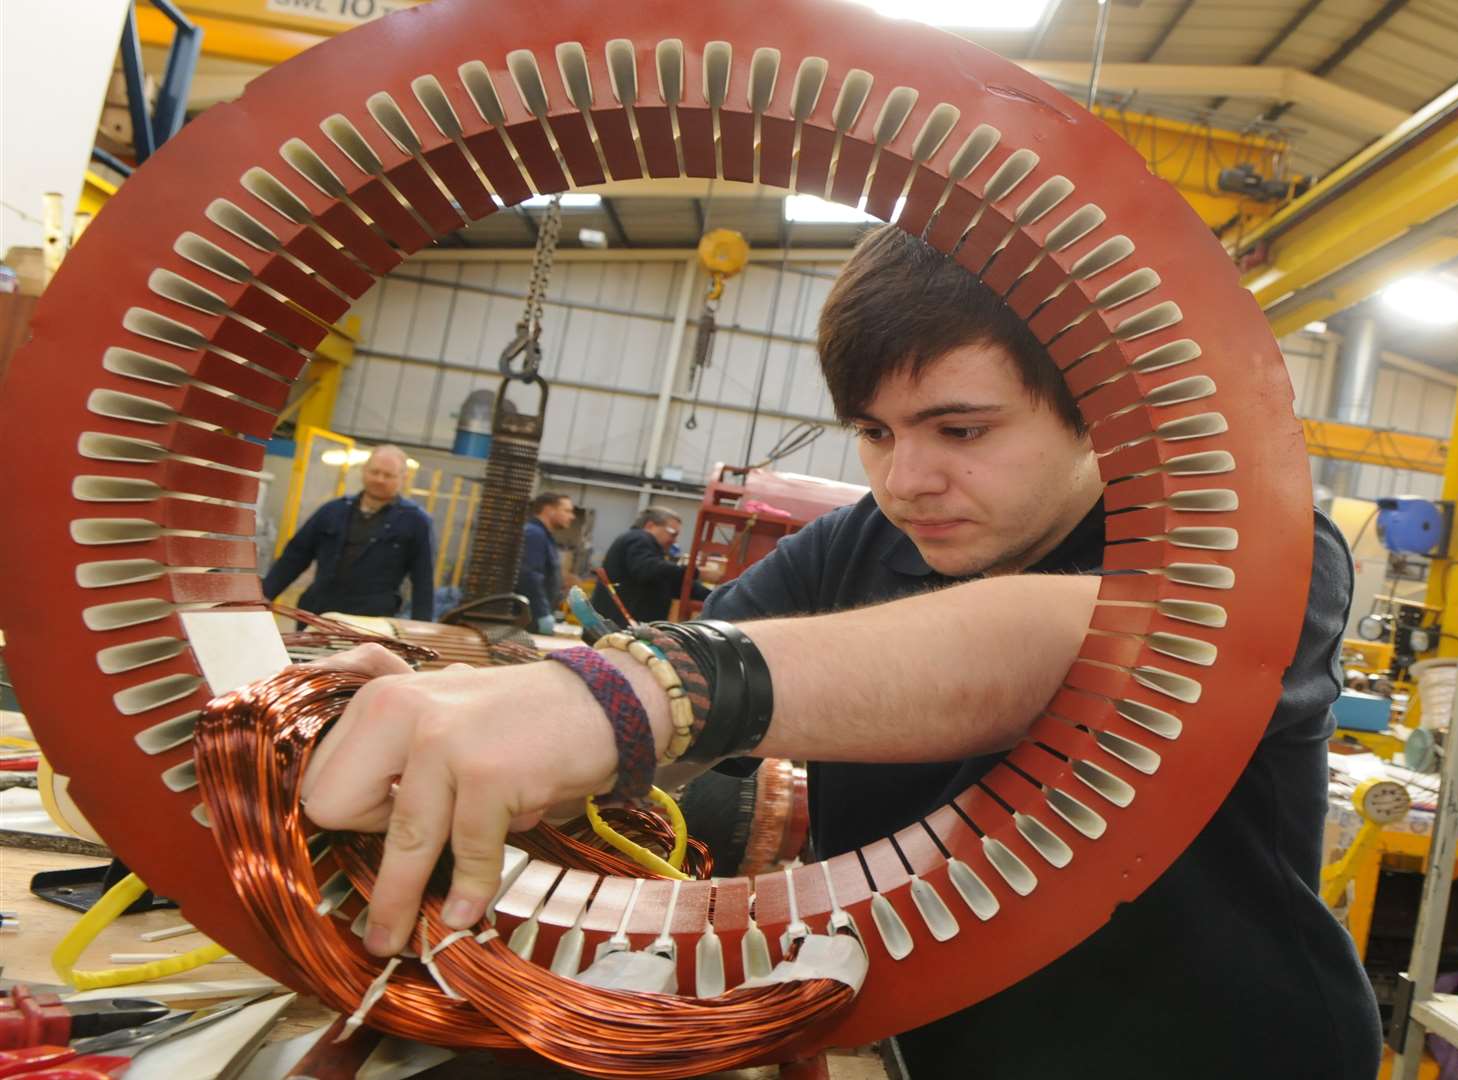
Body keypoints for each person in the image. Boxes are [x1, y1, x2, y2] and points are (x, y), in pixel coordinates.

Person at [302, 227, 1380, 1077]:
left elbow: (1056, 649)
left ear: (1098, 412)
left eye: (960, 431)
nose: (905, 479)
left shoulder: (1252, 545)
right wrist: (478, 708)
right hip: (952, 1045)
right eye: (874, 432)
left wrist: (639, 696)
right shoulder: (858, 544)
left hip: (1221, 1053)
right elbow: (668, 714)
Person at [261, 444, 434, 620]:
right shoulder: (333, 511)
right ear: (364, 471)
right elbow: (295, 556)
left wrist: (423, 627)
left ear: (403, 478)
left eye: (388, 475)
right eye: (375, 472)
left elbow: (423, 581)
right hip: (318, 612)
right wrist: (264, 596)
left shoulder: (416, 522)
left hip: (371, 621)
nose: (379, 479)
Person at [589, 507, 709, 623]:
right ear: (650, 526)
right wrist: (693, 572)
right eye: (672, 533)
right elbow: (647, 568)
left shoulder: (650, 550)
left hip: (623, 625)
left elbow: (669, 582)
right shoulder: (638, 538)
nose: (674, 540)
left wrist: (713, 595)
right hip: (620, 625)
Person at [517, 492, 574, 634]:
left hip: (533, 616)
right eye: (566, 511)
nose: (571, 516)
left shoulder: (544, 536)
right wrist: (542, 614)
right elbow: (530, 576)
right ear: (549, 510)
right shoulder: (534, 534)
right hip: (527, 618)